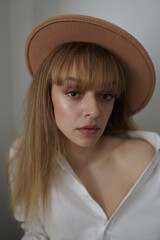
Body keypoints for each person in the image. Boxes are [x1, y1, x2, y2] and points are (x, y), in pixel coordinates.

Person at [7, 14, 160, 240]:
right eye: (73, 92)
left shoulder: (153, 159)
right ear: (46, 95)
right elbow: (35, 232)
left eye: (106, 95)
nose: (94, 111)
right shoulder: (23, 158)